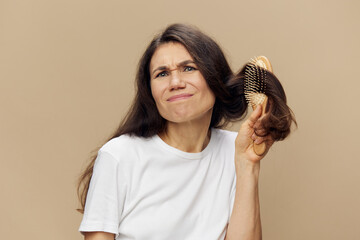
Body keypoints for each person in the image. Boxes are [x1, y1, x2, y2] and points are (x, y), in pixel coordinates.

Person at [77, 23, 287, 240]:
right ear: (151, 92)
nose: (175, 82)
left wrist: (247, 165)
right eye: (162, 74)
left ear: (215, 79)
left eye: (188, 68)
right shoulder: (119, 156)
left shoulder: (235, 150)